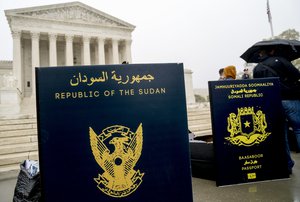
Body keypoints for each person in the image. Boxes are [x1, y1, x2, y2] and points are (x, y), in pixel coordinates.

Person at [253, 48, 300, 174]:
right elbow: (297, 74)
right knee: (298, 129)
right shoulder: (282, 60)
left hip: (272, 103)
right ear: (272, 51)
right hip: (290, 98)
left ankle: (287, 165)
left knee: (282, 135)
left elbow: (257, 88)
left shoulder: (257, 68)